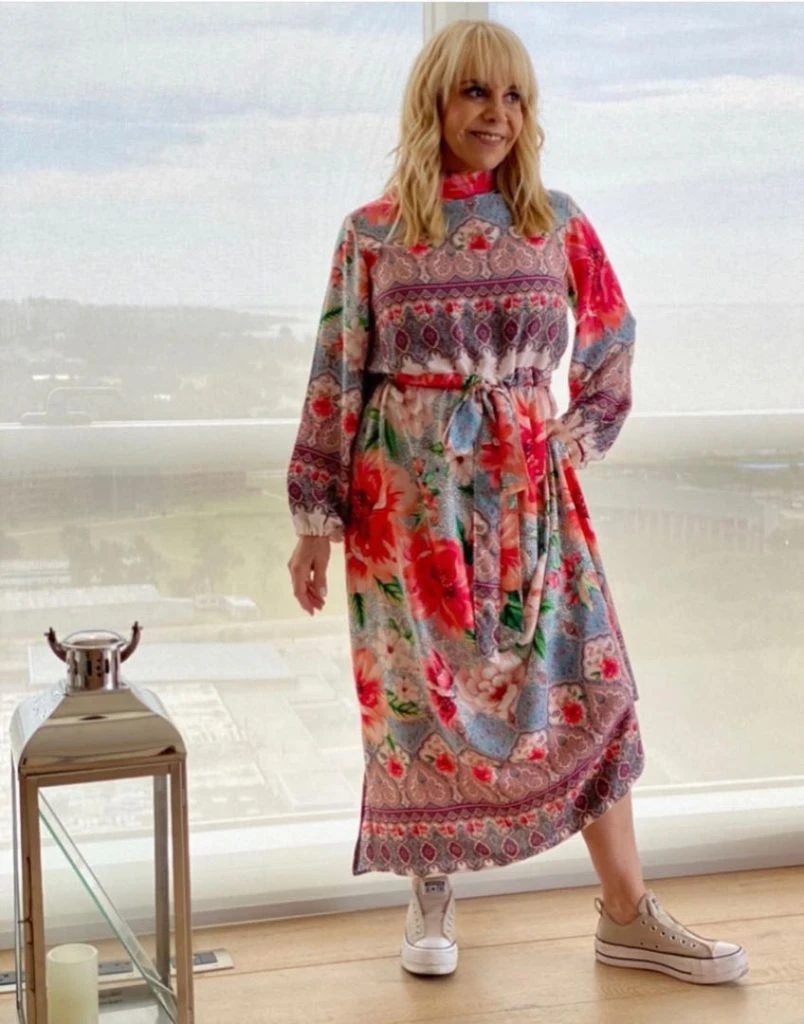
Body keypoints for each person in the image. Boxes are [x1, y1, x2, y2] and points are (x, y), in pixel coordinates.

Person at [287, 19, 748, 986]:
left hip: (532, 502)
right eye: (475, 93)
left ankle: (626, 914)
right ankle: (430, 892)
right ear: (434, 103)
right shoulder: (371, 234)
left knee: (591, 682)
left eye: (514, 97)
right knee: (419, 698)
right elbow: (336, 374)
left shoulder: (556, 221)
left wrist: (570, 439)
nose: (496, 115)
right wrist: (314, 524)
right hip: (405, 510)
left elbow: (613, 335)